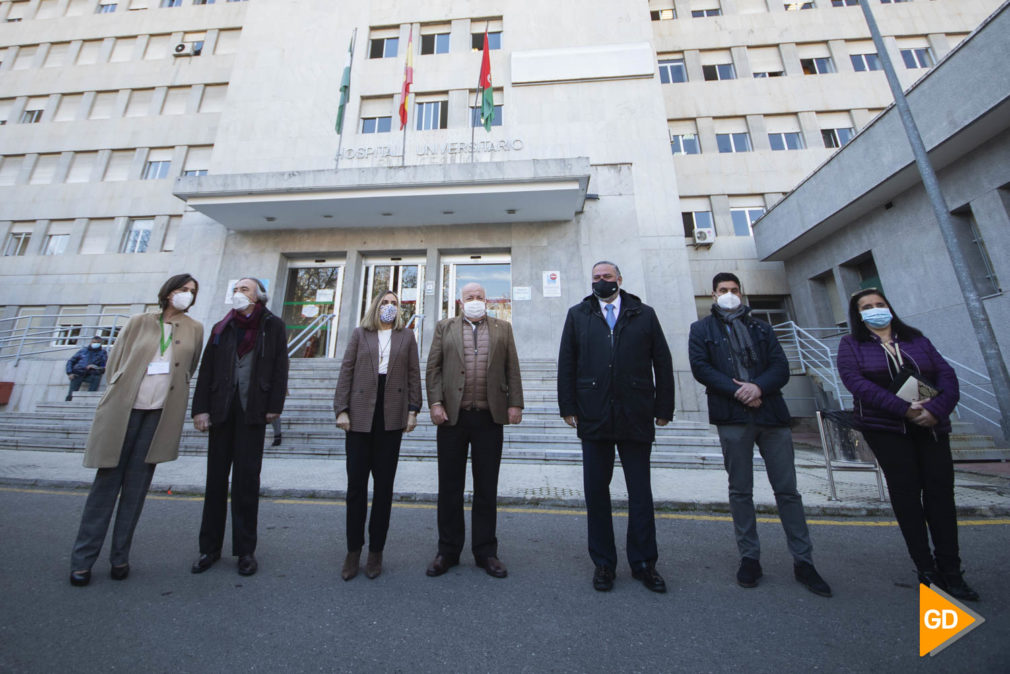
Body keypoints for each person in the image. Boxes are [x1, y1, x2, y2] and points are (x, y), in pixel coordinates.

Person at [688, 272, 831, 597]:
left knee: (788, 491)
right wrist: (737, 391)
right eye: (723, 290)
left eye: (734, 290)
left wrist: (758, 387)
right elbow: (701, 367)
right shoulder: (702, 329)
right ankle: (749, 557)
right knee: (741, 490)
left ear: (742, 293)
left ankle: (804, 561)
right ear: (713, 295)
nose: (729, 294)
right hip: (733, 416)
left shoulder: (762, 328)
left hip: (771, 415)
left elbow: (780, 367)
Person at [837, 288, 978, 601]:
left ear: (889, 307)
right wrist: (905, 409)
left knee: (941, 496)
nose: (875, 310)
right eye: (867, 307)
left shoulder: (916, 339)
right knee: (907, 497)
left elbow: (947, 376)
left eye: (879, 304)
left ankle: (952, 571)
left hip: (931, 428)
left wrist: (934, 411)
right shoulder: (851, 344)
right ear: (858, 314)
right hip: (887, 430)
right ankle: (925, 568)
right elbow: (855, 382)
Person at [68, 274, 202, 586]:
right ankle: (83, 561)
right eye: (183, 289)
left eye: (192, 292)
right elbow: (115, 363)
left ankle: (120, 557)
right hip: (125, 411)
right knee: (106, 484)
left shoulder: (195, 328)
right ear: (169, 292)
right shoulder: (140, 321)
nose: (187, 295)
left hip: (159, 415)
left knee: (136, 488)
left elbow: (190, 368)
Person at [558, 261, 674, 593]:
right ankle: (604, 564)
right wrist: (567, 407)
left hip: (636, 414)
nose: (601, 281)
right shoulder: (578, 314)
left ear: (620, 280)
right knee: (596, 493)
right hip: (594, 415)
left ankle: (643, 563)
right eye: (596, 277)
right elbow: (567, 363)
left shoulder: (644, 314)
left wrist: (664, 407)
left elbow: (662, 362)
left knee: (640, 493)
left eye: (607, 277)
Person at [191, 277, 289, 577]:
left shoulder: (272, 325)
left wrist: (274, 405)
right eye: (235, 289)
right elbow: (207, 368)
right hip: (221, 410)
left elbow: (280, 366)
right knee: (216, 481)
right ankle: (209, 547)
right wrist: (201, 409)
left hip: (252, 412)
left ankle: (245, 551)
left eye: (244, 289)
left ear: (259, 296)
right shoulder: (223, 326)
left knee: (246, 483)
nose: (238, 293)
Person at [425, 282, 523, 579]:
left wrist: (515, 404)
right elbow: (434, 369)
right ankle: (448, 551)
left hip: (489, 419)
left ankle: (486, 552)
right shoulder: (445, 327)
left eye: (480, 297)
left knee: (486, 488)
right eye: (470, 297)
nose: (476, 301)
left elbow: (512, 368)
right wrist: (435, 403)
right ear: (460, 301)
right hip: (453, 419)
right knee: (449, 488)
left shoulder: (503, 329)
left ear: (487, 300)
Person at [333, 291, 421, 580]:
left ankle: (376, 551)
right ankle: (353, 550)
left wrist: (413, 410)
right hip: (359, 416)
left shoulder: (407, 337)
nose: (389, 307)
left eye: (394, 304)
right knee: (356, 487)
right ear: (375, 306)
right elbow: (346, 371)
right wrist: (341, 410)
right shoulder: (360, 334)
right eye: (385, 302)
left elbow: (413, 374)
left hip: (391, 417)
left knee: (383, 488)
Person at [65, 335, 108, 401]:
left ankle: (90, 399)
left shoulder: (102, 353)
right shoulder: (83, 351)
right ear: (91, 342)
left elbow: (103, 366)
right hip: (78, 373)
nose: (95, 344)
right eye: (93, 342)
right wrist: (69, 372)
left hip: (92, 374)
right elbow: (71, 361)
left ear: (100, 344)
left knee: (96, 378)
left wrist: (94, 367)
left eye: (97, 343)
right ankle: (68, 400)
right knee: (71, 392)